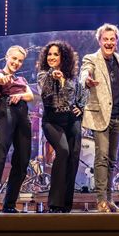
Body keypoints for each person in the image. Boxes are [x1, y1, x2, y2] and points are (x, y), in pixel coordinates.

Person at [80, 23, 119, 213]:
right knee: (102, 157)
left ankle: (109, 199)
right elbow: (84, 72)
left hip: (118, 115)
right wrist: (86, 79)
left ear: (117, 41)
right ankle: (101, 199)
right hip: (100, 116)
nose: (109, 42)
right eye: (105, 39)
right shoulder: (91, 58)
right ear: (99, 41)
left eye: (112, 39)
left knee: (112, 159)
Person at [37, 40, 87, 213]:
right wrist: (53, 76)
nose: (51, 57)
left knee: (73, 157)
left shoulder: (72, 77)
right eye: (49, 54)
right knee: (63, 151)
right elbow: (44, 92)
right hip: (52, 121)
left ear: (63, 57)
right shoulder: (43, 75)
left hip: (72, 120)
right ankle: (55, 203)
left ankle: (66, 204)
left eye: (56, 54)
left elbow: (82, 94)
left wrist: (81, 107)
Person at [0, 45, 34, 213]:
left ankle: (9, 203)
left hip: (22, 115)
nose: (16, 63)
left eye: (20, 61)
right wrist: (4, 79)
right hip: (6, 110)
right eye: (14, 59)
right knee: (0, 152)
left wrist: (20, 95)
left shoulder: (22, 80)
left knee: (23, 159)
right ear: (7, 57)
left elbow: (30, 95)